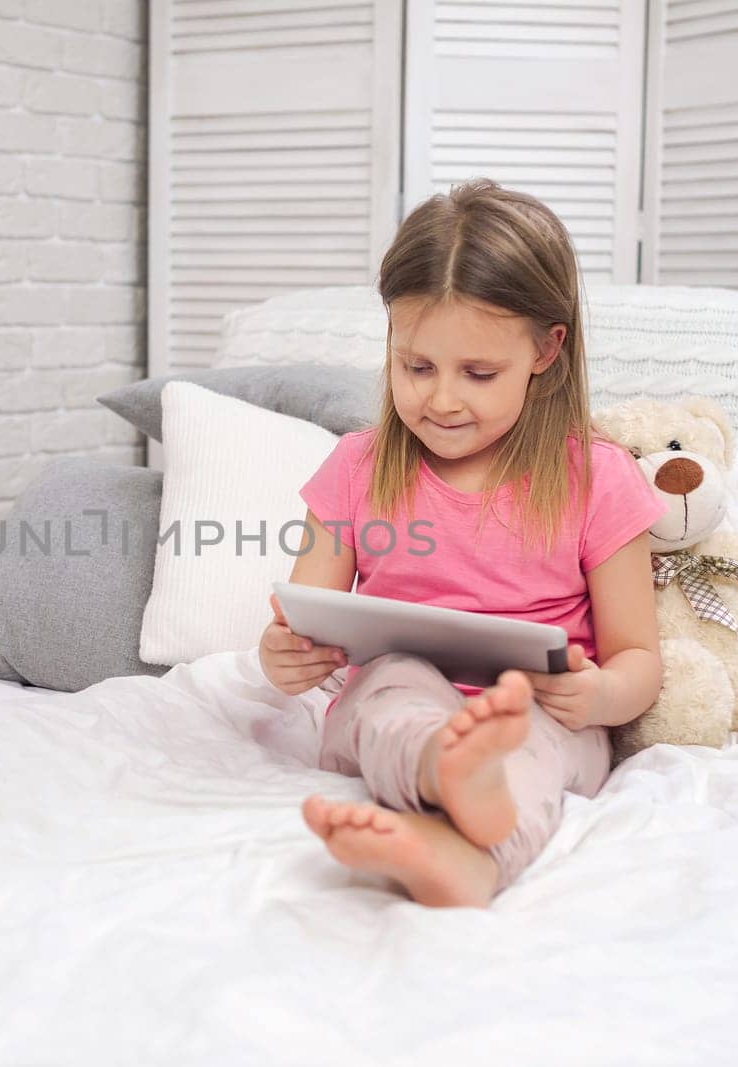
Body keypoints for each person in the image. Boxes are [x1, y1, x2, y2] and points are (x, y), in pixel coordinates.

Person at [257, 178, 666, 908]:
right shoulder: (356, 466)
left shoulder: (597, 478)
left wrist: (598, 691)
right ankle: (446, 771)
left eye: (478, 373)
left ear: (547, 349)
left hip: (539, 710)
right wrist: (284, 657)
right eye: (417, 366)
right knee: (393, 688)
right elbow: (305, 621)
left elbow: (640, 662)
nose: (441, 399)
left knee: (529, 738)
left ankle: (466, 852)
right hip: (394, 698)